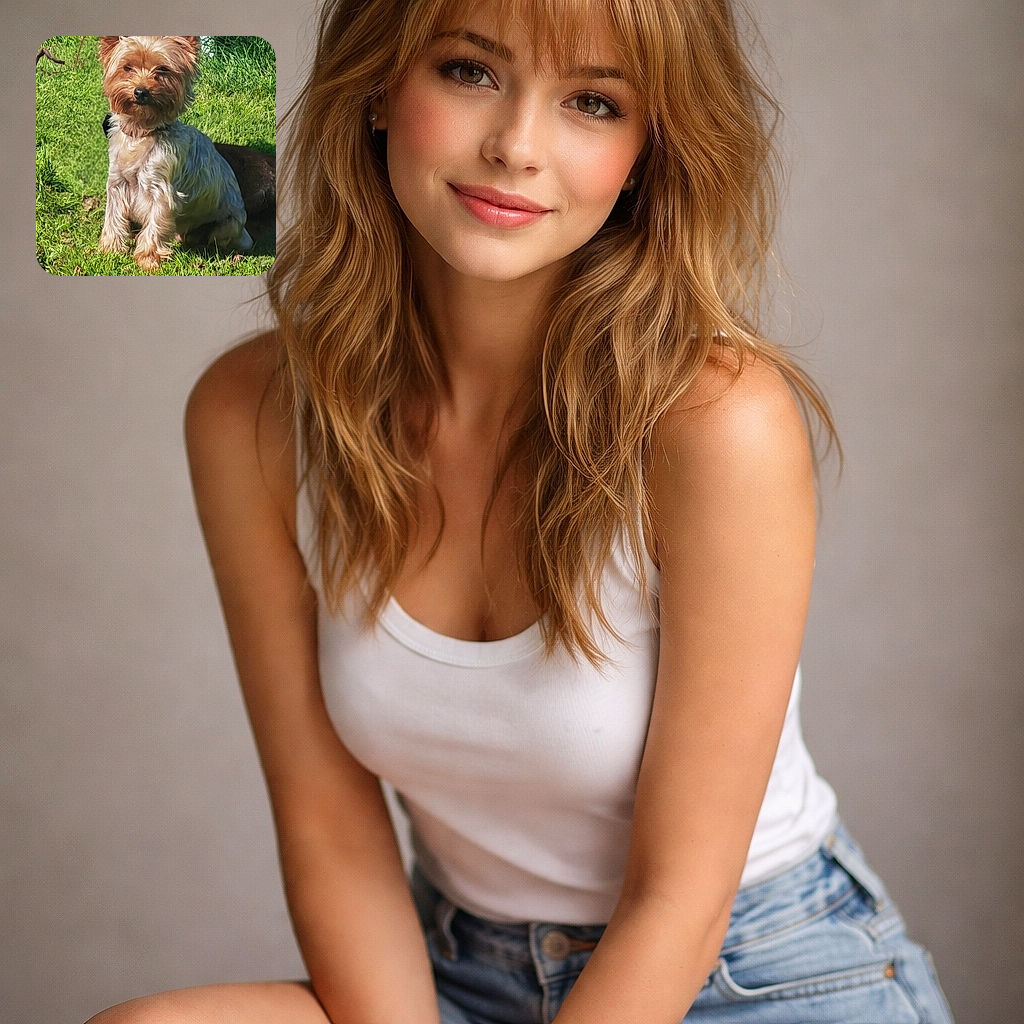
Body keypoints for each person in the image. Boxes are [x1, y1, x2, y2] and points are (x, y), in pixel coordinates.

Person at [87, 0, 955, 1021]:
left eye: (593, 102)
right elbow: (330, 831)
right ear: (379, 86)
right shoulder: (252, 416)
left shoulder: (715, 424)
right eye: (470, 71)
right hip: (455, 967)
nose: (516, 147)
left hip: (752, 972)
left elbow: (680, 901)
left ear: (648, 151)